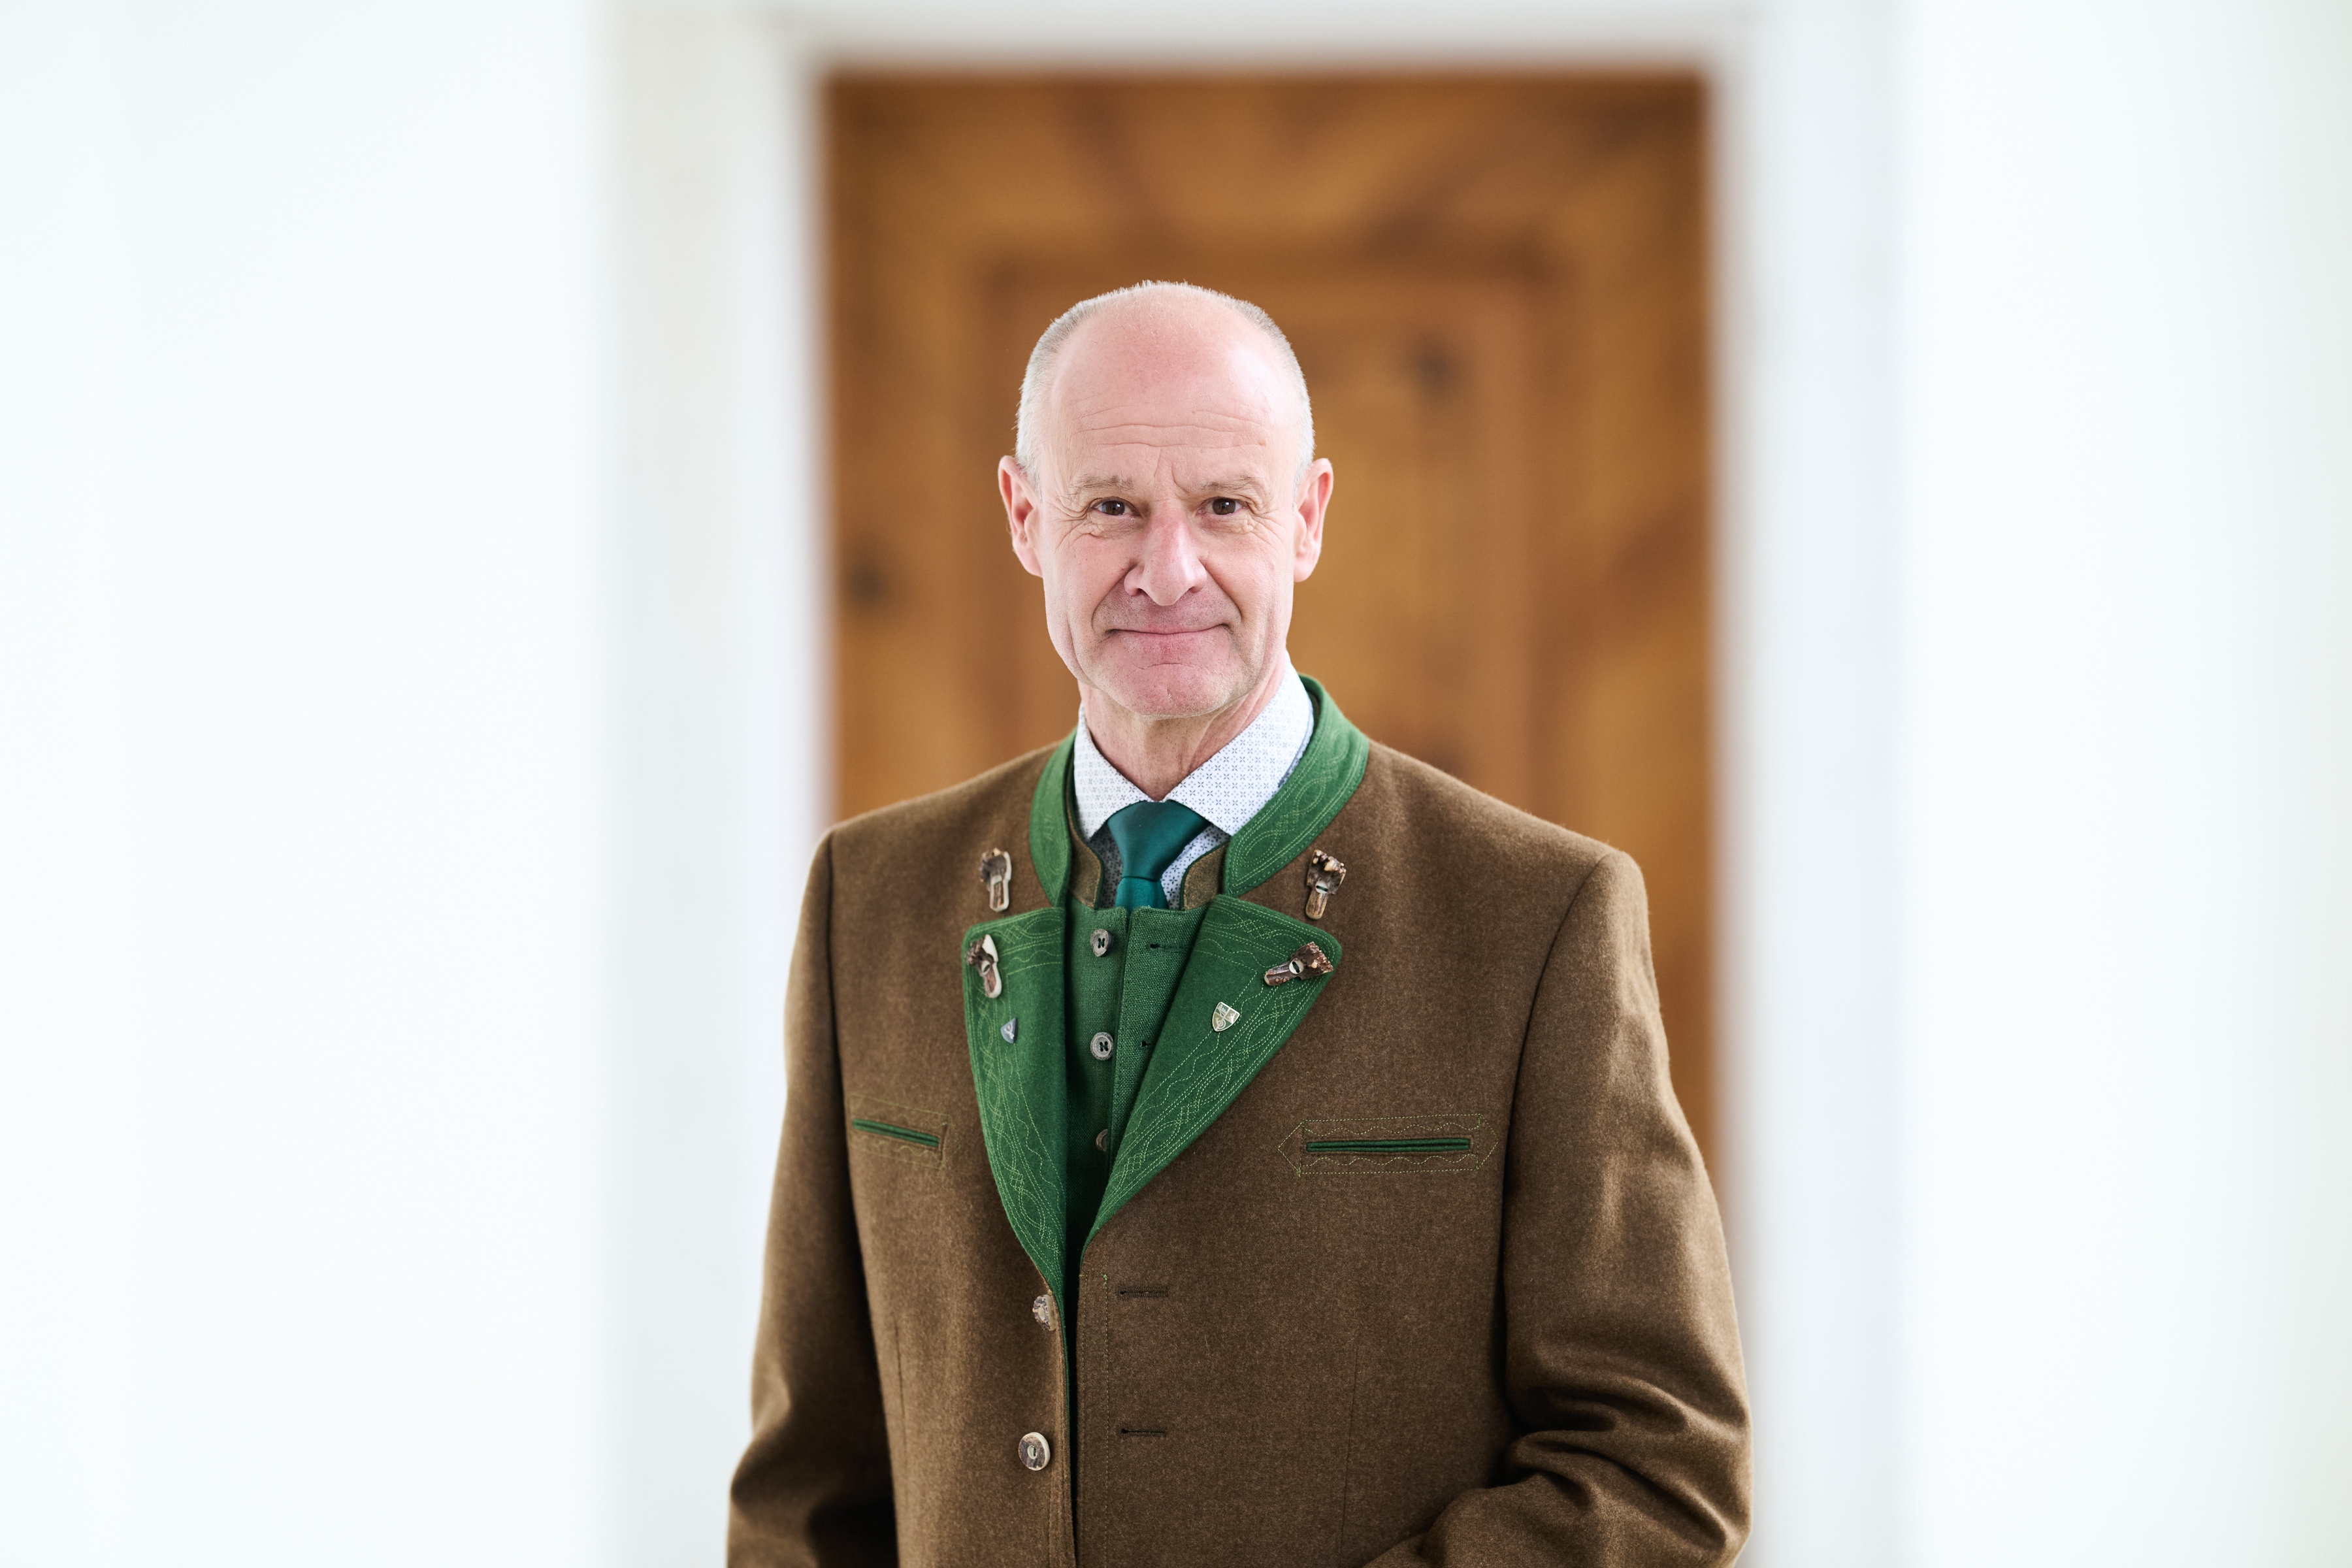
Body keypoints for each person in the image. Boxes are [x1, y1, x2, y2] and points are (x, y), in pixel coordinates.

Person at [727, 282, 1750, 1567]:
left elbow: (1660, 1467)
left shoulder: (1541, 918)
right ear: (1025, 516)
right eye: (1111, 506)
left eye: (1224, 505)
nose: (1169, 570)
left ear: (1308, 518)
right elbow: (804, 1490)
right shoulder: (867, 902)